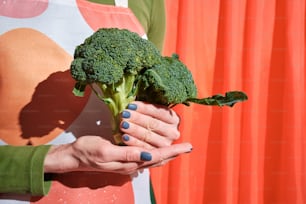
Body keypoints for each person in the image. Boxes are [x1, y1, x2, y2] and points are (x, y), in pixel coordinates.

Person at [0, 0, 192, 203]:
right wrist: (60, 157)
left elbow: (153, 85)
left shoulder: (147, 2)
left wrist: (157, 125)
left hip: (127, 194)